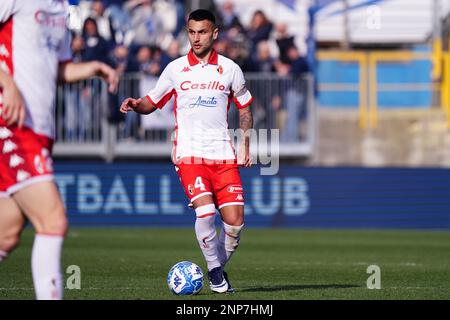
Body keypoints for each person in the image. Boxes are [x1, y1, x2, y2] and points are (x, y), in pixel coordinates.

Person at [120, 9, 253, 293]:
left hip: (223, 156)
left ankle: (213, 265)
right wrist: (135, 104)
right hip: (189, 154)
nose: (196, 38)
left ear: (214, 33)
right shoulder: (176, 69)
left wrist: (245, 144)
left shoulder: (230, 69)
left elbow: (244, 107)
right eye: (191, 32)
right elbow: (152, 102)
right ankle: (216, 274)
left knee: (235, 224)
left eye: (202, 32)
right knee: (205, 213)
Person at [0, 0, 118, 300]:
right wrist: (6, 83)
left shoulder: (62, 8)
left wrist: (92, 68)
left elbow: (57, 68)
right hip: (12, 123)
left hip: (40, 131)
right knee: (53, 220)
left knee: (7, 233)